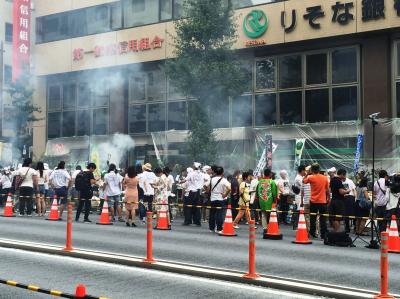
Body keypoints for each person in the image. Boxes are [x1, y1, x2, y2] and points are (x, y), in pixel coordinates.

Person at [303, 163, 330, 239]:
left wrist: (307, 174)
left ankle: (312, 233)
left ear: (312, 170)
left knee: (312, 218)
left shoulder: (310, 177)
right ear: (319, 169)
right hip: (323, 202)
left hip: (313, 201)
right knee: (323, 219)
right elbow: (327, 190)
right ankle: (323, 235)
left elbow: (303, 181)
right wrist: (329, 199)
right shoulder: (325, 178)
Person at [208, 166, 231, 233]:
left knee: (212, 214)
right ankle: (219, 229)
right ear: (222, 172)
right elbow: (229, 188)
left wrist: (209, 191)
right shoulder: (224, 180)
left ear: (215, 172)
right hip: (221, 199)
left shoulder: (212, 179)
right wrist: (225, 195)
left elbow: (205, 186)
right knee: (219, 214)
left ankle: (211, 228)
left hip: (213, 199)